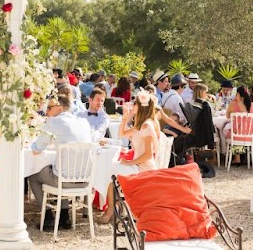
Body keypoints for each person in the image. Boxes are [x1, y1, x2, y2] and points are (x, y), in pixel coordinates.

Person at [27, 95, 92, 231]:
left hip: (63, 180)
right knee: (60, 168)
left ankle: (48, 217)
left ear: (60, 108)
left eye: (49, 108)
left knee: (33, 175)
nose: (47, 112)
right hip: (85, 180)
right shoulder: (83, 122)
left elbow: (37, 149)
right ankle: (64, 216)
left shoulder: (54, 122)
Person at [97, 90, 160, 224]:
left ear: (140, 106)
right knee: (111, 169)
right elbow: (121, 133)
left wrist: (130, 162)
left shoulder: (146, 126)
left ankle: (111, 210)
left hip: (144, 167)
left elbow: (148, 154)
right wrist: (125, 117)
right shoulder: (140, 125)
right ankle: (114, 209)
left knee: (111, 171)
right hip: (138, 165)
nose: (132, 105)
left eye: (135, 103)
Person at [222, 86, 253, 165]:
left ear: (238, 94)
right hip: (250, 133)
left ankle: (236, 158)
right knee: (239, 132)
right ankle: (243, 157)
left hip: (237, 133)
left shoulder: (234, 104)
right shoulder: (251, 104)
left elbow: (227, 116)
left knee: (226, 132)